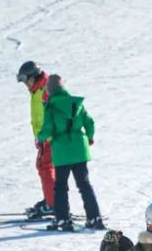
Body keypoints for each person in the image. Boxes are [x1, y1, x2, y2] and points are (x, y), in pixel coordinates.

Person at [36, 74, 104, 231]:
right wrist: (90, 137)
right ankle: (95, 217)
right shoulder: (75, 103)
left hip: (62, 152)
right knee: (85, 185)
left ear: (50, 90)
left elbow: (47, 129)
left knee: (60, 186)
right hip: (80, 149)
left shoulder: (51, 106)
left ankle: (63, 219)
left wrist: (40, 139)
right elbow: (89, 122)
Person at [16, 61, 55, 218]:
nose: (25, 84)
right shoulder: (37, 89)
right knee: (44, 167)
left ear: (34, 76)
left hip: (50, 137)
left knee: (45, 167)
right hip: (45, 137)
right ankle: (51, 200)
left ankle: (52, 204)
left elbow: (52, 114)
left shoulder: (45, 89)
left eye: (26, 80)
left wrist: (46, 136)